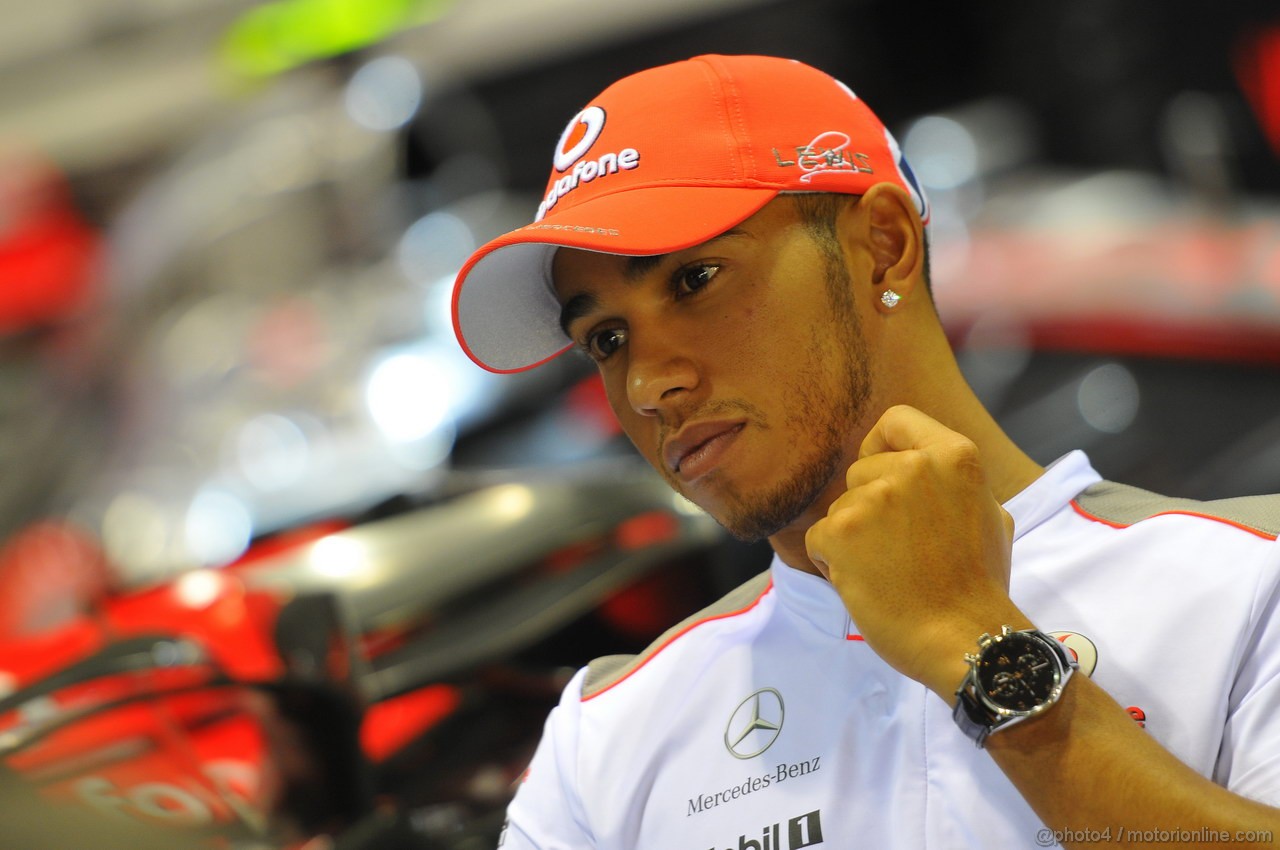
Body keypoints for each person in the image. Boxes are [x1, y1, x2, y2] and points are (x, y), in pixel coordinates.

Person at [450, 54, 1280, 848]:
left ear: (883, 245)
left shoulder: (1248, 588)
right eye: (606, 338)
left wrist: (980, 647)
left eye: (696, 280)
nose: (645, 386)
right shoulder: (605, 742)